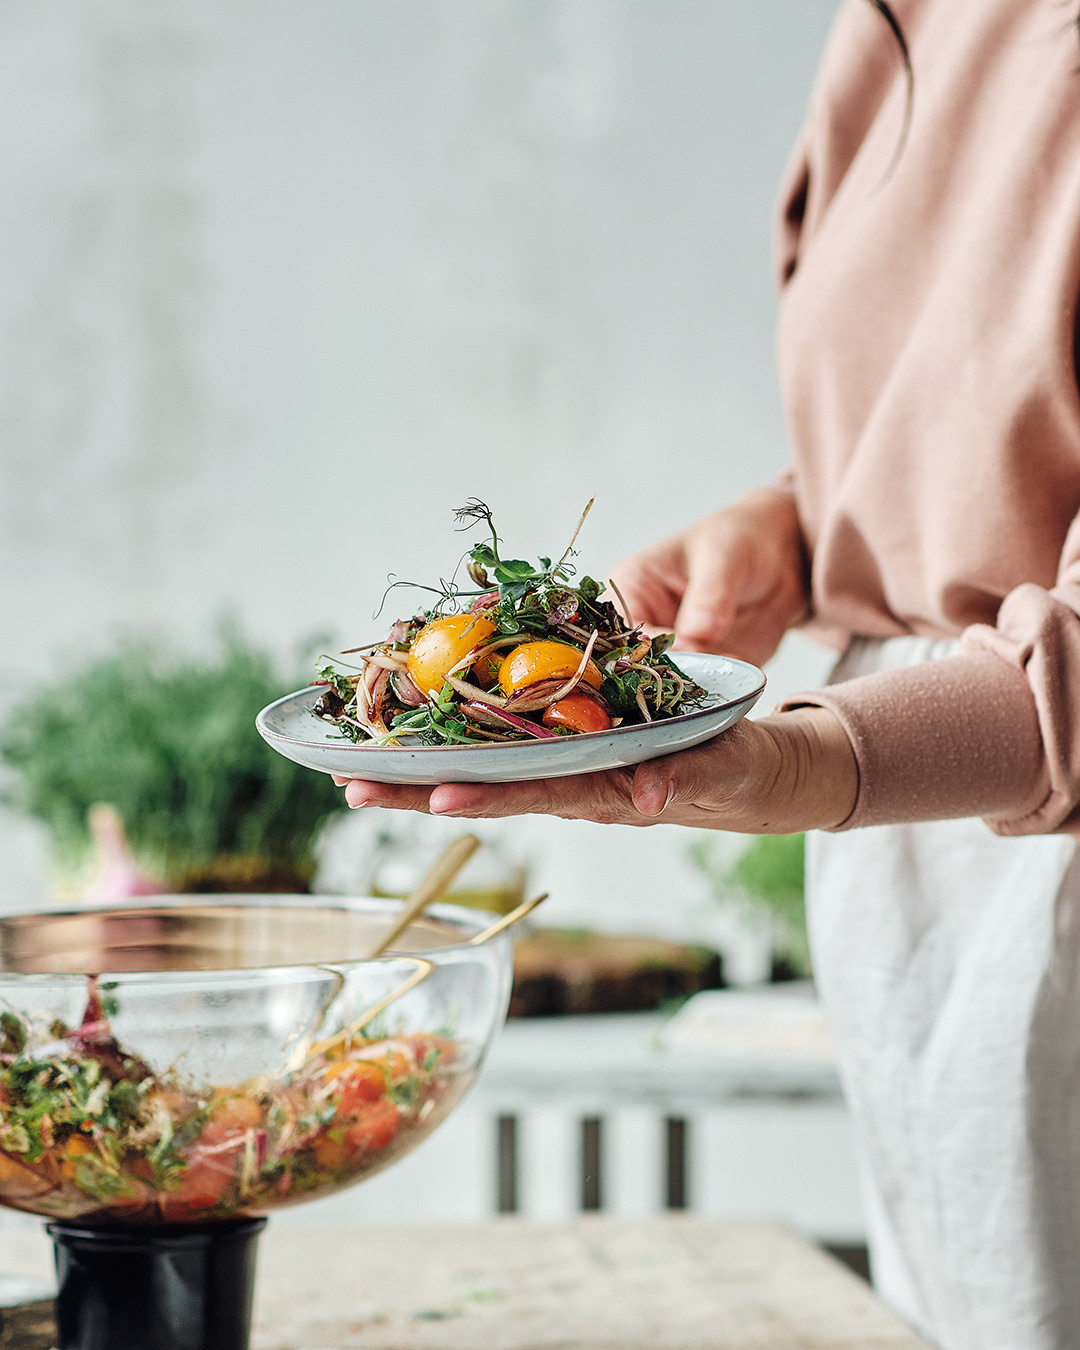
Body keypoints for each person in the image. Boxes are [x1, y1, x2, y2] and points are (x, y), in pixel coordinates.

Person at [334, 3, 1080, 1345]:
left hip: (1030, 813)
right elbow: (988, 396)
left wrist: (804, 758)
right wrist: (804, 530)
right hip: (907, 831)